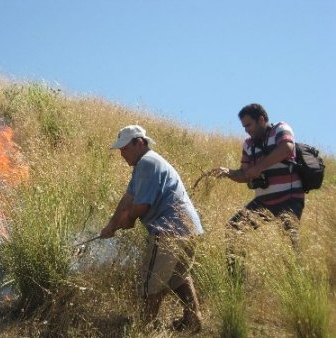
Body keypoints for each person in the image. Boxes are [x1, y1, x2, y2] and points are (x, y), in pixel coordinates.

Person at [100, 125, 204, 332]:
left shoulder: (147, 163)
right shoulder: (145, 165)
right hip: (189, 228)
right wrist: (111, 225)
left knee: (150, 281)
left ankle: (142, 328)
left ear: (139, 143)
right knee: (178, 276)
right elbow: (127, 200)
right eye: (120, 149)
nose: (122, 154)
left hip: (169, 230)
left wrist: (127, 221)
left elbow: (141, 206)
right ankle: (193, 320)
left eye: (124, 148)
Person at [211, 103, 304, 250]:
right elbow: (245, 174)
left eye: (249, 125)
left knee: (289, 245)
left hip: (289, 198)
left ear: (261, 119)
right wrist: (227, 172)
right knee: (233, 229)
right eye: (244, 127)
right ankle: (236, 273)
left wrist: (259, 167)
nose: (247, 130)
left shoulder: (280, 128)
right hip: (264, 201)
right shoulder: (248, 145)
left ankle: (296, 273)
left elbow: (287, 148)